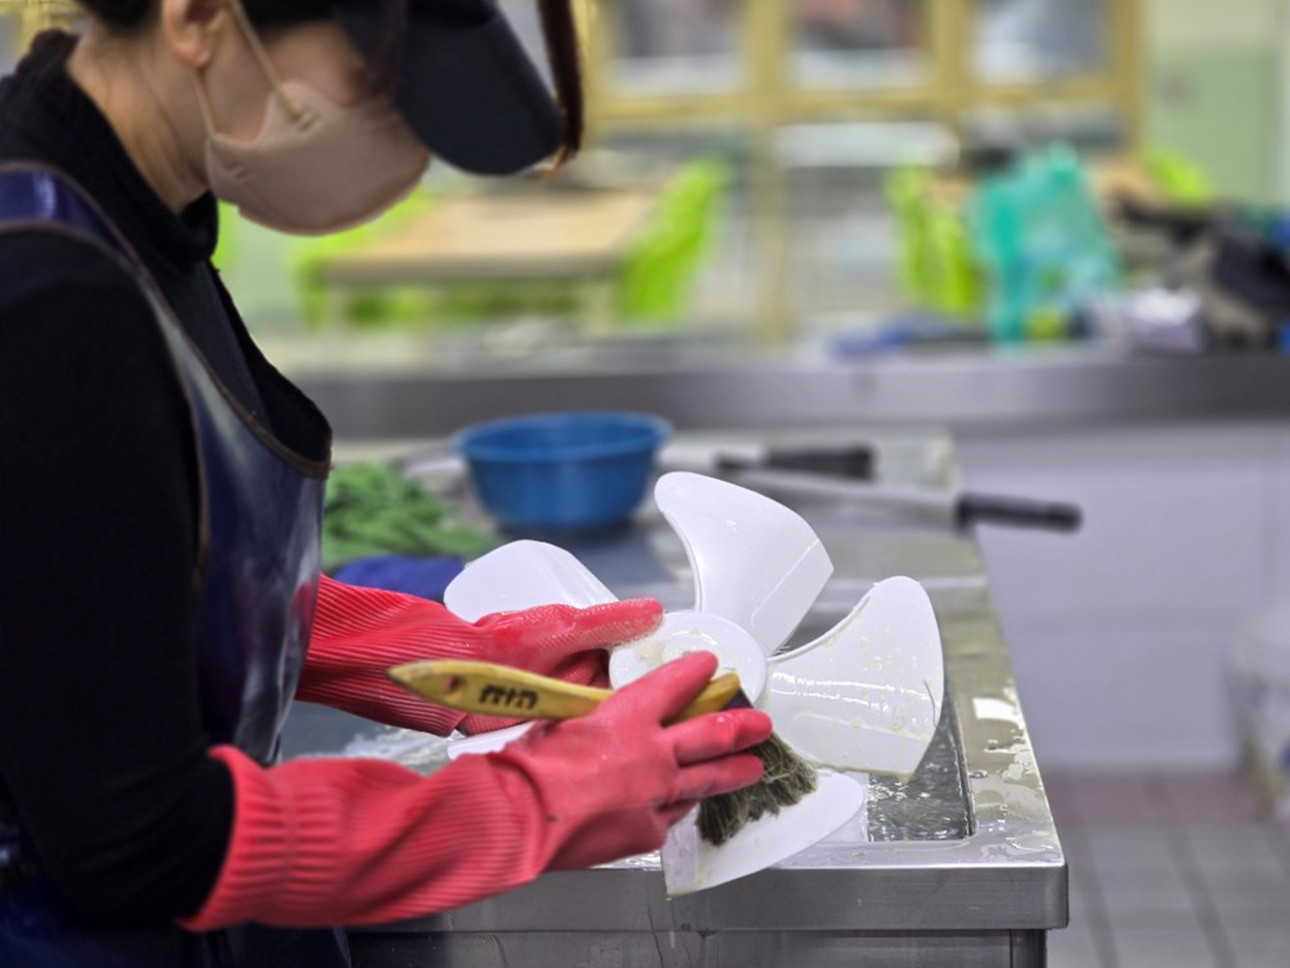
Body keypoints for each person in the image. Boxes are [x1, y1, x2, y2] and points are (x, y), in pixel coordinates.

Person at [0, 2, 772, 966]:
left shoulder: (128, 207)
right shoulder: (43, 287)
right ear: (197, 18)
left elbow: (100, 592)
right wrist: (538, 801)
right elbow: (136, 839)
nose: (405, 155)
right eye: (382, 93)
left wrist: (457, 658)